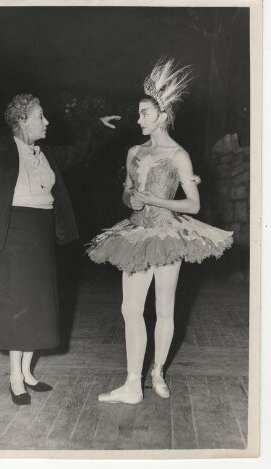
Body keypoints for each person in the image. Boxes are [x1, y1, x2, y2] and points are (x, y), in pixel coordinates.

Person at [0, 51, 120, 405]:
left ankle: (27, 372)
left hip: (41, 234)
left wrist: (96, 127)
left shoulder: (47, 154)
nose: (47, 122)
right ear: (22, 121)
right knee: (15, 304)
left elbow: (78, 152)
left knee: (37, 305)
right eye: (41, 117)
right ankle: (14, 378)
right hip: (13, 234)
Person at [87, 58, 233, 404]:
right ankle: (132, 383)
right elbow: (126, 192)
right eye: (138, 113)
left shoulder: (179, 155)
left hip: (168, 236)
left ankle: (157, 371)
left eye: (144, 114)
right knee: (130, 309)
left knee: (165, 309)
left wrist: (157, 200)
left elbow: (193, 204)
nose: (138, 119)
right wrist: (132, 201)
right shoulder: (133, 151)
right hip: (136, 235)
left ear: (162, 116)